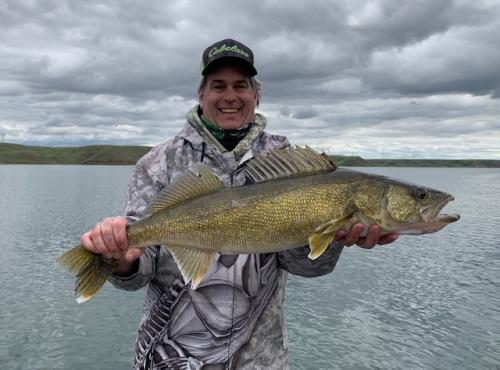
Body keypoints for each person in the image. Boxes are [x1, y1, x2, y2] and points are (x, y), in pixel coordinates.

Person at [80, 39, 399, 370]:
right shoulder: (157, 163)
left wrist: (334, 240)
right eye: (218, 85)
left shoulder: (288, 162)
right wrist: (123, 261)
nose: (230, 96)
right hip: (168, 359)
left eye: (240, 86)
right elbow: (138, 274)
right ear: (201, 95)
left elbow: (307, 266)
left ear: (256, 94)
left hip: (259, 361)